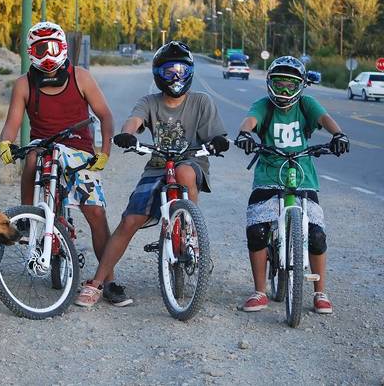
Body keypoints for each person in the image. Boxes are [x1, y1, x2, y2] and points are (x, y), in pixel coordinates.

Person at [75, 41, 229, 307]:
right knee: (129, 220)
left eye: (180, 70)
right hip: (157, 166)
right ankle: (97, 282)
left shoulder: (201, 102)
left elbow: (217, 134)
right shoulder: (150, 102)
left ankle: (190, 227)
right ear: (158, 74)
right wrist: (128, 134)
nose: (175, 77)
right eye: (169, 71)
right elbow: (134, 120)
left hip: (190, 163)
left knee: (183, 171)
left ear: (190, 72)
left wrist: (218, 141)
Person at [0, 21, 123, 302]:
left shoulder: (81, 77)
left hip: (79, 151)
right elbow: (13, 123)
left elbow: (105, 115)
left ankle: (109, 280)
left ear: (63, 47)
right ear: (31, 51)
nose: (48, 54)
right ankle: (30, 217)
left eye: (53, 47)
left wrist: (105, 152)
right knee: (31, 158)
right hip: (43, 146)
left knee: (95, 214)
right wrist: (6, 142)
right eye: (41, 48)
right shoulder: (24, 84)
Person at [233, 56, 350, 314]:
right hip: (268, 174)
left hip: (302, 173)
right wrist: (244, 135)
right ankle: (259, 291)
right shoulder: (264, 105)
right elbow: (250, 120)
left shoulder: (306, 104)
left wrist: (338, 135)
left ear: (301, 87)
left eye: (290, 86)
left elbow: (325, 119)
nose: (284, 91)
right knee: (257, 232)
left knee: (317, 235)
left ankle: (320, 292)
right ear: (269, 84)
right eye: (278, 85)